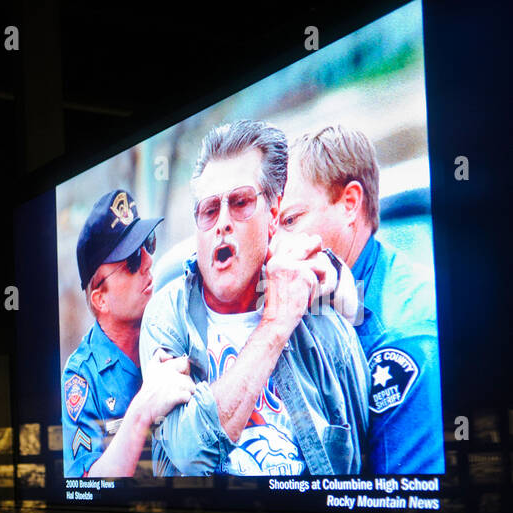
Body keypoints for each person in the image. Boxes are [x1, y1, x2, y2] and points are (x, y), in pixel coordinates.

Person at [140, 119, 370, 476]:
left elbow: (359, 458)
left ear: (274, 215)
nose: (222, 223)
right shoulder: (168, 314)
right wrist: (276, 325)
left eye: (241, 202)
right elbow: (190, 455)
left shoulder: (320, 309)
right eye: (210, 209)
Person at [279, 124, 444, 475]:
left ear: (350, 204)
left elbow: (400, 512)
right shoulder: (313, 298)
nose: (273, 247)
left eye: (290, 220)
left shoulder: (402, 338)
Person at [62, 189, 195, 477]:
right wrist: (141, 411)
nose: (148, 262)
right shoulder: (84, 375)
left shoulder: (177, 323)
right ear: (101, 299)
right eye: (132, 260)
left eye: (148, 244)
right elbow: (85, 487)